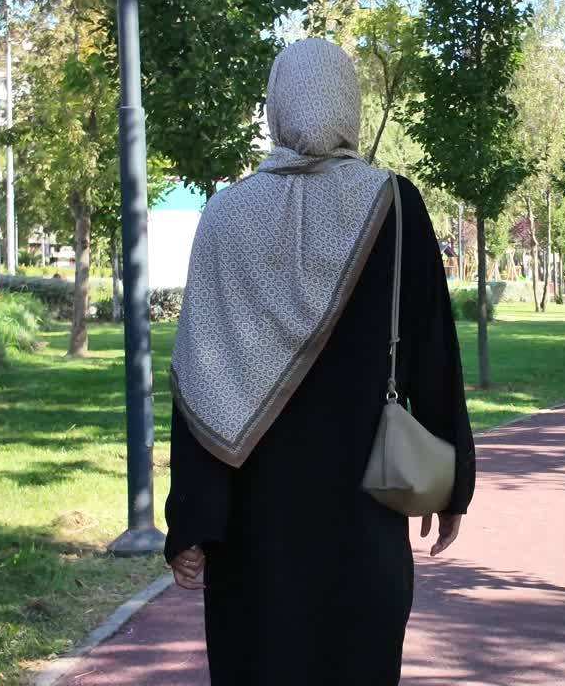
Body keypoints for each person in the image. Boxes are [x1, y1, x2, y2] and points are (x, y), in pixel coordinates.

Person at [163, 39, 476, 685]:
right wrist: (452, 486)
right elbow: (435, 353)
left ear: (277, 103)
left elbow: (199, 373)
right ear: (350, 104)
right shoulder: (394, 203)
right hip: (364, 512)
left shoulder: (225, 213)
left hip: (255, 523)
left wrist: (192, 521)